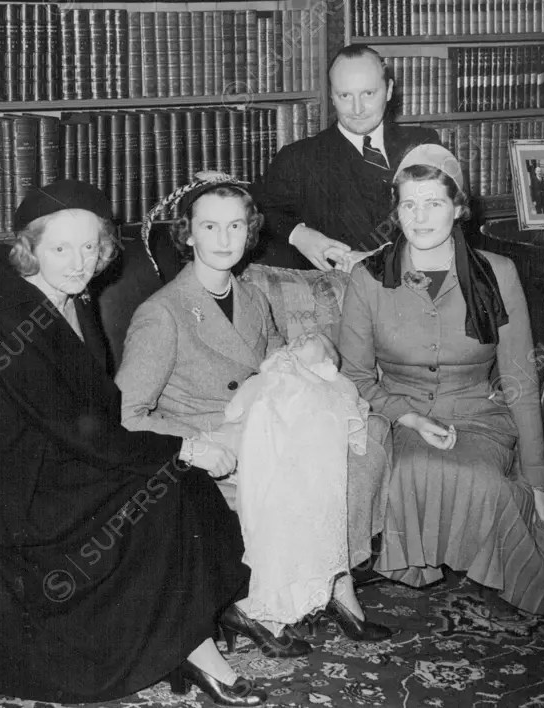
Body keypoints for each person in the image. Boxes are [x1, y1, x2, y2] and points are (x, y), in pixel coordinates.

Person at [0, 179, 267, 706]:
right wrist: (180, 448)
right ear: (31, 249)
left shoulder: (76, 301)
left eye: (89, 247)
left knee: (185, 488)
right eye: (60, 248)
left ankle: (192, 638)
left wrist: (173, 451)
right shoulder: (9, 318)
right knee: (167, 488)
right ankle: (192, 645)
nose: (78, 262)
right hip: (21, 495)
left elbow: (99, 416)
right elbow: (74, 427)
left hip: (62, 464)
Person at [116, 174, 392, 651]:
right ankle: (256, 607)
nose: (224, 239)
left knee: (369, 435)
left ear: (251, 232)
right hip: (218, 444)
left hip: (268, 431)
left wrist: (317, 348)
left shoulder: (251, 296)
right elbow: (126, 415)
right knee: (324, 462)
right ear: (187, 234)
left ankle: (335, 582)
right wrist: (198, 444)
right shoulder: (162, 313)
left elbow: (279, 366)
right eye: (210, 227)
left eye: (236, 226)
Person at [337, 144, 544, 615]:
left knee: (484, 480)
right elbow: (353, 378)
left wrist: (538, 481)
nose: (420, 216)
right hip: (400, 417)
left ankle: (489, 561)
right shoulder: (367, 279)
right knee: (412, 468)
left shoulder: (498, 273)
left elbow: (519, 379)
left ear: (458, 207)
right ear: (395, 210)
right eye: (408, 203)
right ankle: (427, 562)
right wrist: (409, 417)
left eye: (434, 202)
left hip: (477, 413)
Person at [254, 44, 441, 271]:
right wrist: (298, 234)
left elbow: (448, 218)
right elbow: (260, 209)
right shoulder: (298, 158)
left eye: (368, 93)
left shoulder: (423, 145)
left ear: (389, 90)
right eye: (345, 95)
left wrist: (388, 257)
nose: (357, 108)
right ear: (331, 96)